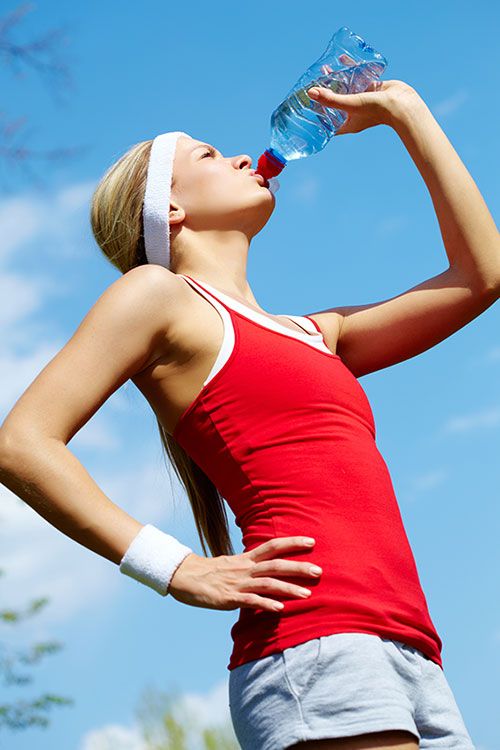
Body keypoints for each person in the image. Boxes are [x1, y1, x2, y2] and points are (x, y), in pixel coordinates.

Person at [0, 79, 498, 750]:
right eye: (208, 155)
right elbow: (23, 443)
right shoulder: (158, 296)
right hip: (318, 646)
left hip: (411, 650)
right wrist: (174, 567)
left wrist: (404, 113)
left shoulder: (320, 335)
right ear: (169, 208)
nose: (241, 158)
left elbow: (481, 276)